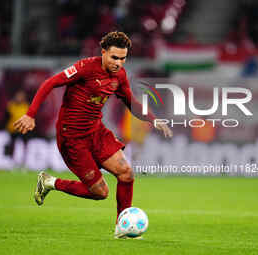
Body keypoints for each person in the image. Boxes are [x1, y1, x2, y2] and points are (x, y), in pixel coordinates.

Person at [13, 31, 172, 239]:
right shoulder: (85, 67)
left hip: (96, 131)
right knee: (100, 192)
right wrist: (30, 114)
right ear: (104, 52)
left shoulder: (119, 76)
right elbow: (50, 83)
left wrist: (153, 119)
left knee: (126, 173)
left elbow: (131, 102)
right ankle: (50, 182)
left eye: (123, 58)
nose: (119, 63)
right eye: (114, 57)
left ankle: (122, 229)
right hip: (72, 138)